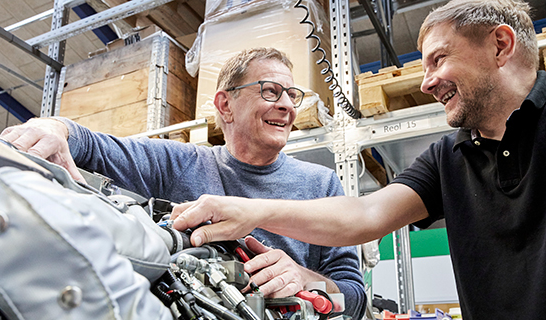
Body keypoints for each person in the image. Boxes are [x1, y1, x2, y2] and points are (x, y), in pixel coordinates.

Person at [170, 0, 545, 319]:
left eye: (438, 59)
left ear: (500, 45)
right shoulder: (449, 157)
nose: (426, 82)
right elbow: (366, 216)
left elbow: (348, 292)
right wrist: (251, 211)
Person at [1, 48, 366, 319]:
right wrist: (50, 129)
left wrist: (305, 279)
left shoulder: (322, 184)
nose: (287, 105)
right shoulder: (179, 163)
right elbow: (93, 144)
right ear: (225, 105)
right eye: (271, 91)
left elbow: (355, 294)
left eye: (292, 95)